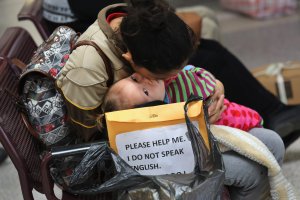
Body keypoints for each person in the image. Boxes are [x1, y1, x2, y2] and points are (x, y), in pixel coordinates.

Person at [56, 1, 285, 199]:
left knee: (272, 142)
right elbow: (95, 143)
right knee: (252, 173)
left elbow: (181, 78)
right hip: (138, 152)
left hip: (172, 132)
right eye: (163, 77)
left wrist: (215, 84)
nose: (170, 81)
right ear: (130, 60)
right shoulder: (88, 70)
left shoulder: (143, 27)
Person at [101, 66, 263, 132]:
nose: (146, 81)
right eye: (145, 92)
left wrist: (217, 84)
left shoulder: (166, 76)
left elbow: (188, 69)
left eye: (134, 79)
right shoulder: (171, 121)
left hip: (235, 110)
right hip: (228, 128)